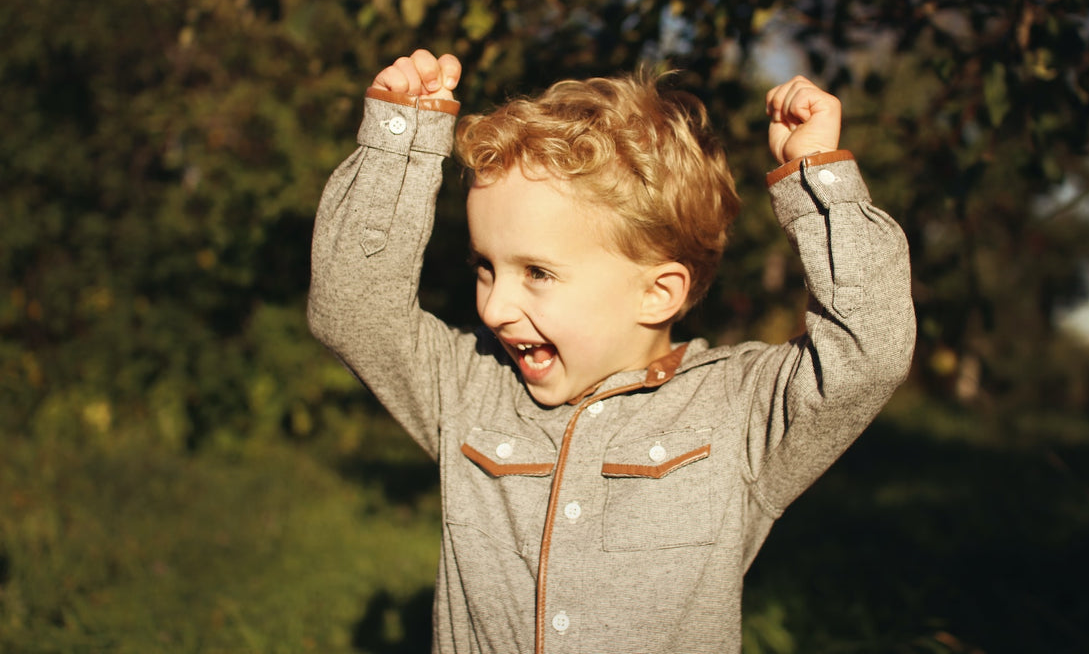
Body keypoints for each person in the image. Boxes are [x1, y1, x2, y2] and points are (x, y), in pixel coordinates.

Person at [308, 48, 915, 654]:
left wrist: (817, 179)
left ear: (657, 293)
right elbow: (353, 309)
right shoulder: (471, 390)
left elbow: (870, 351)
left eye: (538, 273)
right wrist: (398, 145)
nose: (493, 309)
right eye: (486, 267)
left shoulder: (738, 413)